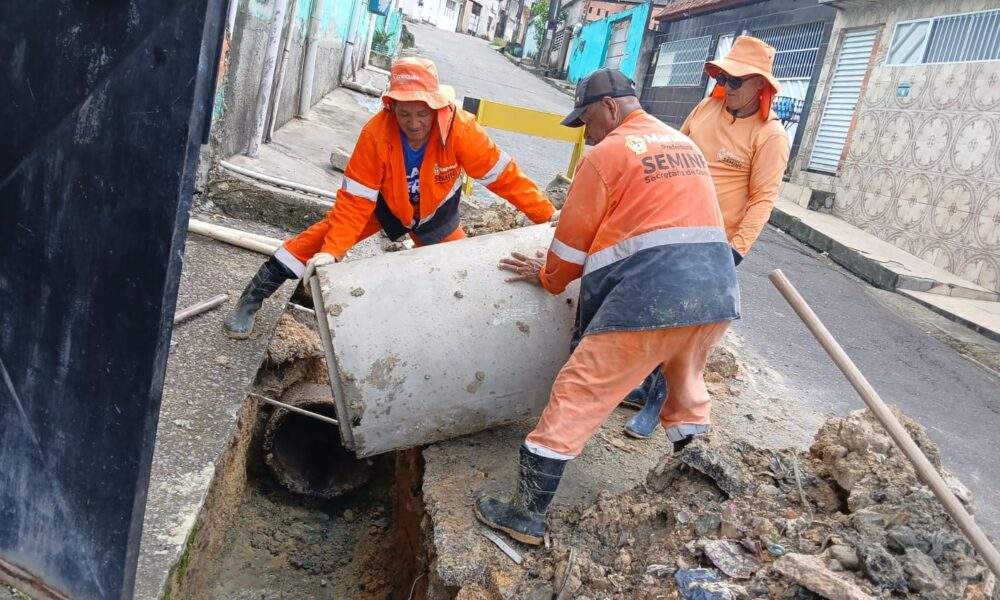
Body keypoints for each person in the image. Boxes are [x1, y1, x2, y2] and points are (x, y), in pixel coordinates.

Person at [475, 69, 740, 545]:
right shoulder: (682, 145)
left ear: (611, 107)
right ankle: (708, 508)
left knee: (577, 394)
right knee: (685, 396)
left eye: (587, 120)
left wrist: (546, 275)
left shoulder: (607, 156)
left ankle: (526, 517)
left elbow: (570, 253)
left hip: (649, 300)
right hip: (714, 293)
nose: (586, 133)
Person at [223, 57, 555, 338]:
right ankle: (252, 298)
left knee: (459, 272)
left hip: (435, 216)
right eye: (404, 114)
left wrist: (546, 214)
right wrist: (333, 252)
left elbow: (504, 177)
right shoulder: (375, 134)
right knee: (317, 242)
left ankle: (445, 335)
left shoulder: (462, 130)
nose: (414, 124)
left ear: (436, 105)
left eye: (422, 114)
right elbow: (354, 202)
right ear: (391, 106)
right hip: (384, 207)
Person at [624, 35, 790, 439]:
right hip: (671, 226)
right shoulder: (707, 107)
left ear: (760, 86)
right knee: (654, 307)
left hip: (714, 243)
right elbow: (675, 149)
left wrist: (735, 250)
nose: (726, 87)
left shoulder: (770, 136)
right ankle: (645, 382)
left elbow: (763, 198)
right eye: (722, 77)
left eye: (735, 81)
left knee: (683, 325)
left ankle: (657, 403)